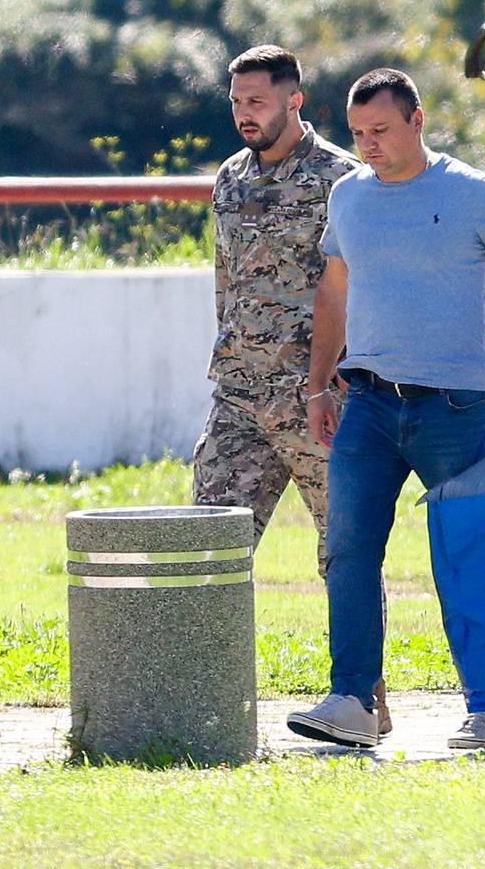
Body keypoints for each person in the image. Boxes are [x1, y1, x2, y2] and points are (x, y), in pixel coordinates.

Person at [284, 69, 485, 751]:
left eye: (381, 130)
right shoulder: (348, 197)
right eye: (358, 134)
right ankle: (352, 699)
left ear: (417, 120)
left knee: (472, 554)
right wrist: (319, 385)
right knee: (346, 550)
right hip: (368, 403)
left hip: (457, 407)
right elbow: (333, 291)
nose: (368, 145)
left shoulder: (470, 192)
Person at [192, 46, 373, 715]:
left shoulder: (343, 180)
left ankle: (363, 694)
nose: (244, 113)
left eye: (257, 101)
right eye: (236, 101)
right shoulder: (230, 178)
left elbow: (361, 286)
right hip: (238, 397)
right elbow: (225, 280)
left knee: (346, 552)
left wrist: (339, 381)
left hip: (319, 398)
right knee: (207, 544)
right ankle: (205, 698)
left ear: (294, 101)